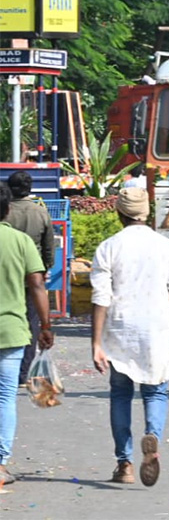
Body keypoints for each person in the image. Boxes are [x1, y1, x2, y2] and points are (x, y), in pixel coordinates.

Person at [91, 187, 169, 488]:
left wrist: (96, 343)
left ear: (118, 212)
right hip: (156, 329)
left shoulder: (108, 247)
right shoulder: (166, 247)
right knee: (155, 392)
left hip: (119, 331)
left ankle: (125, 463)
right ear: (147, 212)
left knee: (120, 395)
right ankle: (153, 438)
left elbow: (101, 297)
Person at [0, 182, 55, 487]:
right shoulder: (20, 242)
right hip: (11, 332)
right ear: (7, 209)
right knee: (5, 397)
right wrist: (45, 327)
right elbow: (37, 285)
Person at [5, 171, 54, 384]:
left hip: (8, 274)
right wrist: (45, 267)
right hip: (33, 274)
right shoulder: (40, 212)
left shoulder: (6, 211)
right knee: (31, 323)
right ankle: (23, 372)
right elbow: (49, 246)